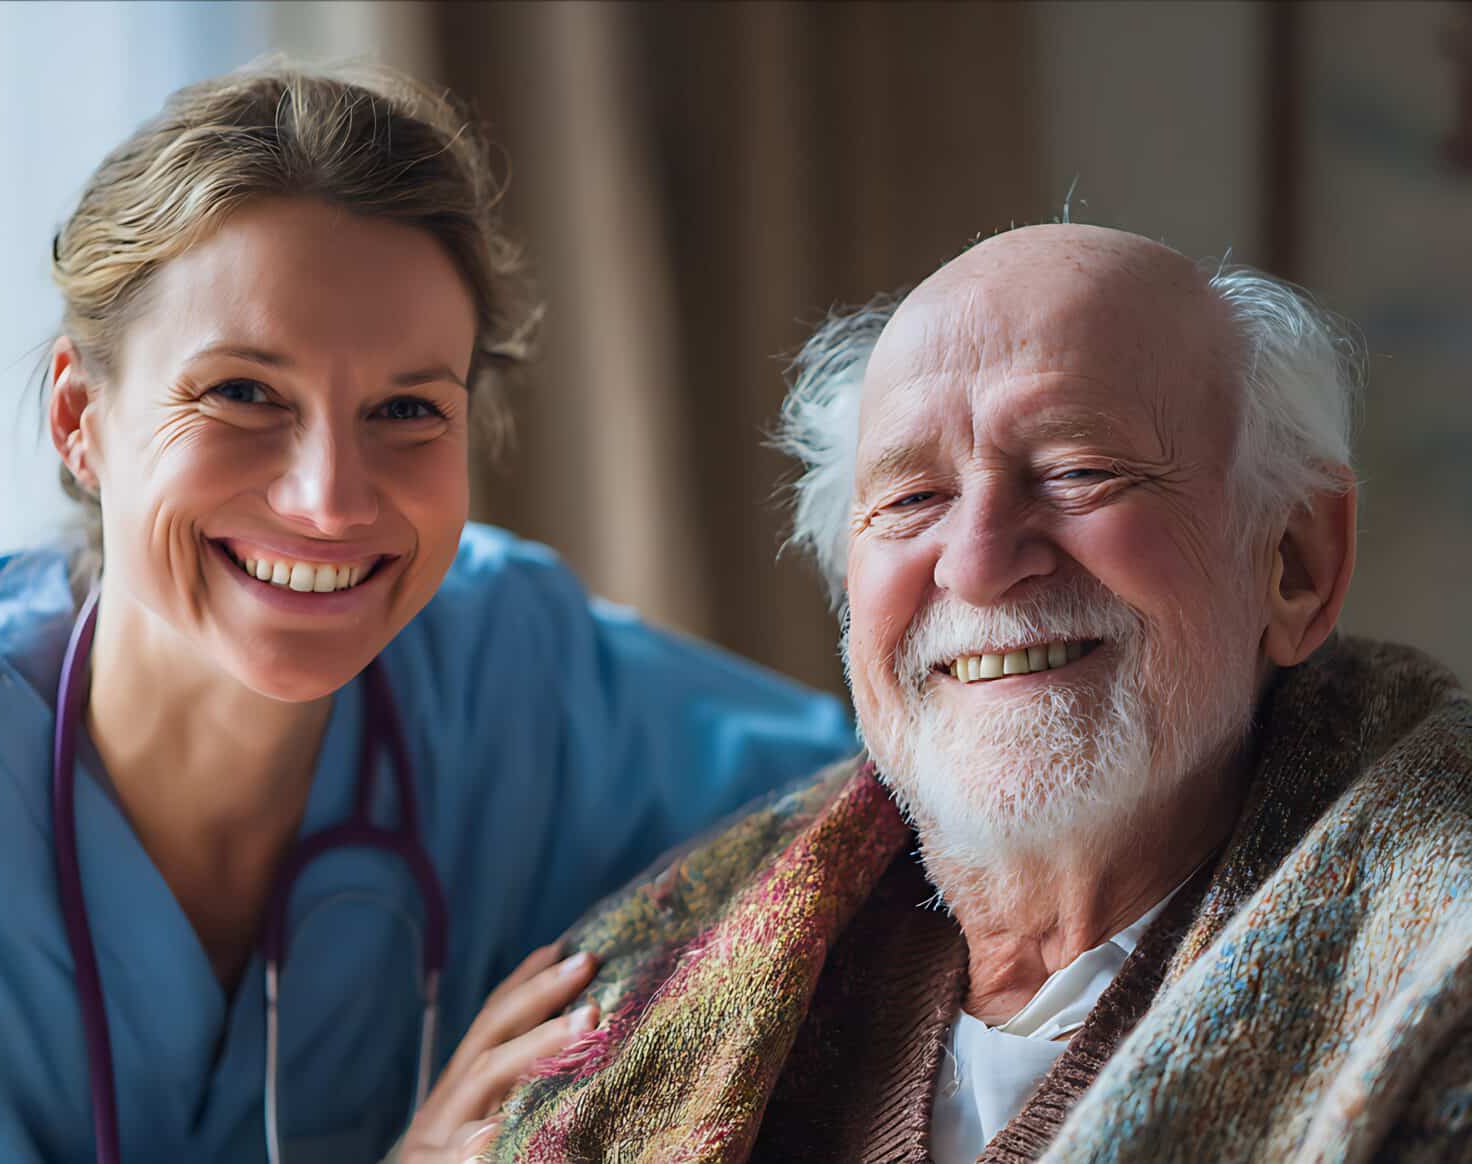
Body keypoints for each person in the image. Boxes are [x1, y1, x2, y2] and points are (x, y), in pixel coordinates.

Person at [0, 62, 858, 1164]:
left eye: (407, 408)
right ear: (81, 419)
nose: (329, 500)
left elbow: (890, 793)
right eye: (243, 392)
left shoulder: (511, 667)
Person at [492, 225, 1472, 1161]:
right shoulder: (630, 999)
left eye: (1081, 470)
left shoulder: (1443, 977)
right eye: (913, 498)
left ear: (1296, 561)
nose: (977, 562)